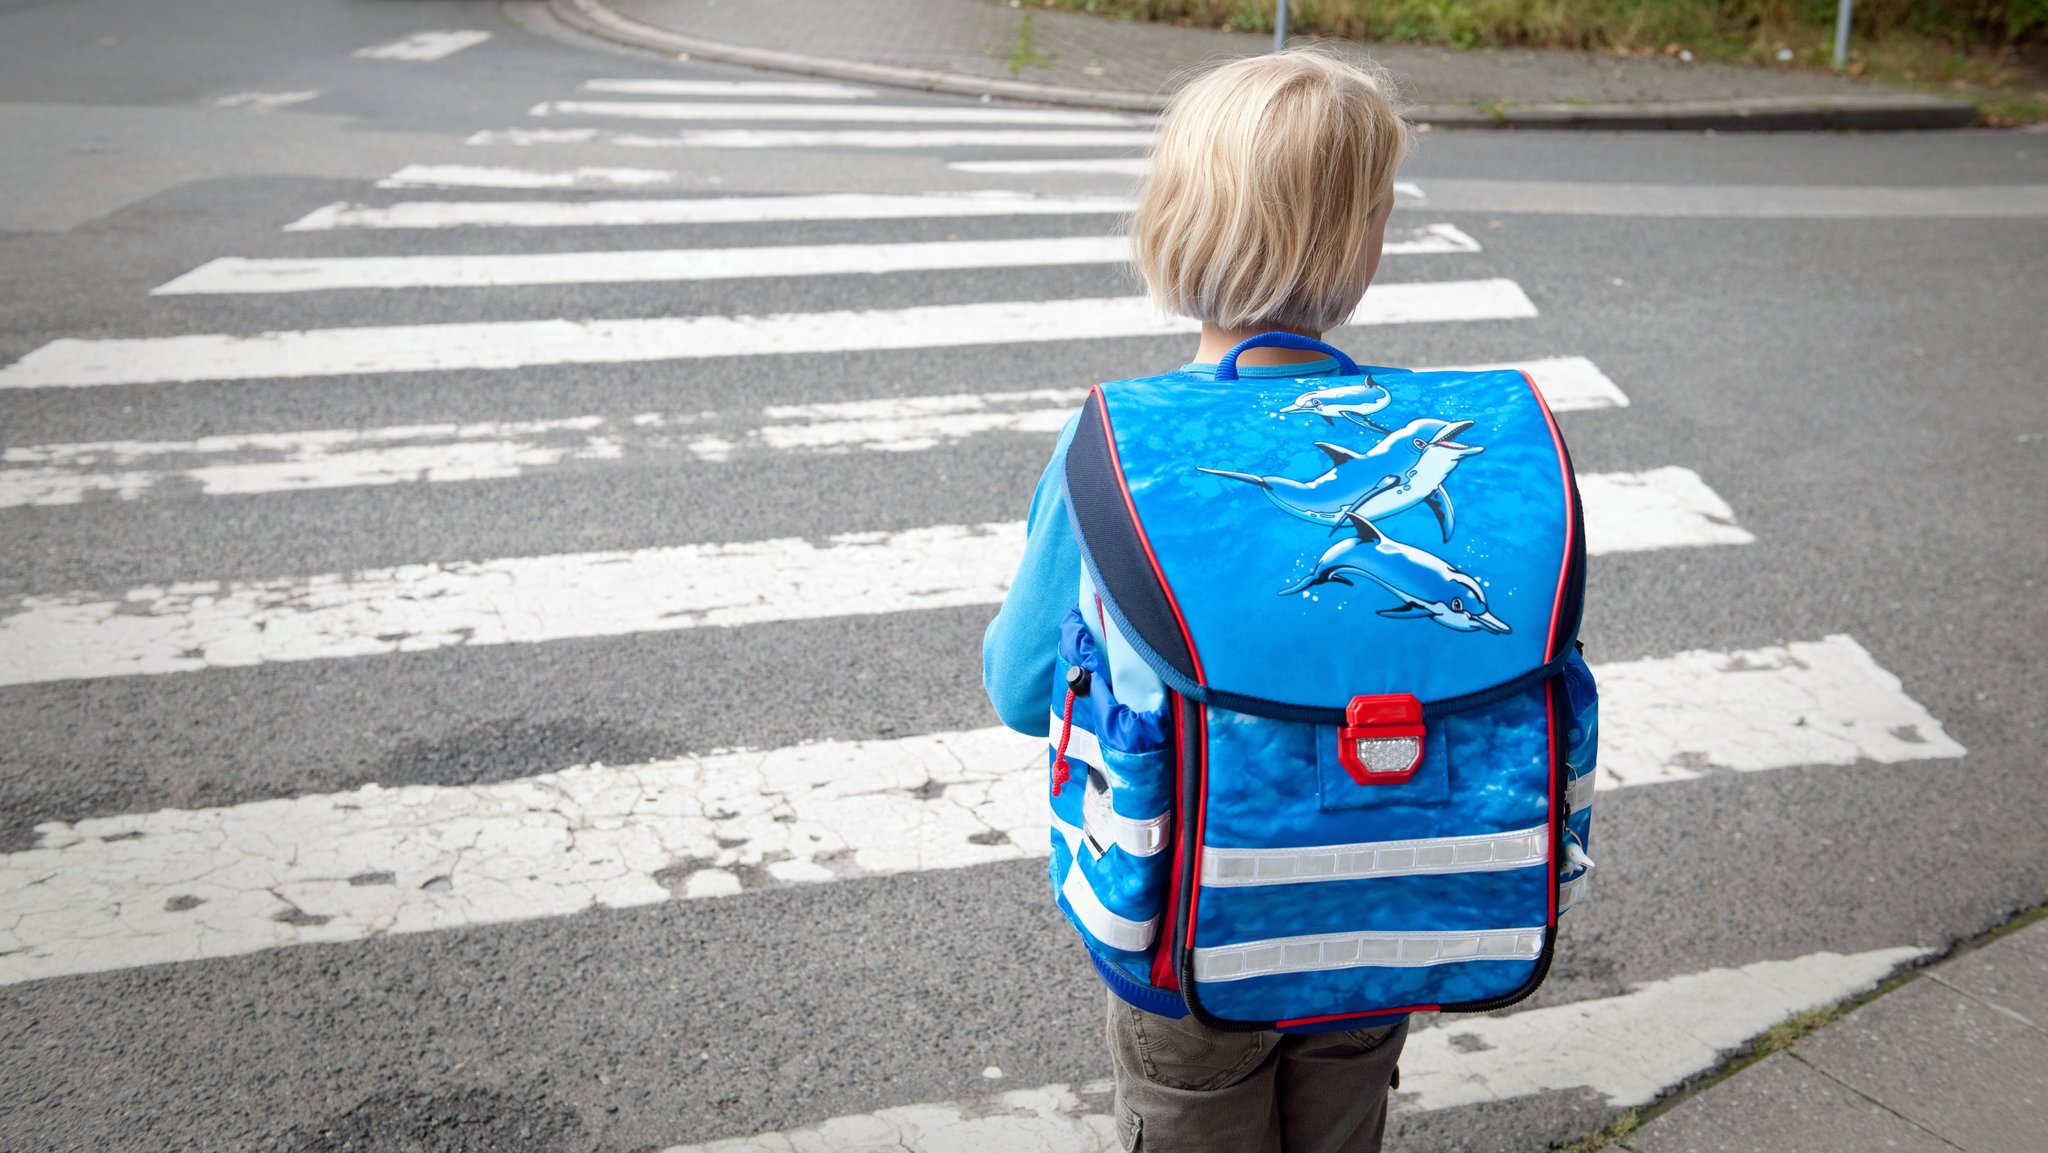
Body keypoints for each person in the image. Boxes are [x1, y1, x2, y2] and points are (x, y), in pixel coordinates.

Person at [982, 48, 1417, 1153]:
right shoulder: (1421, 450)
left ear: (1171, 218)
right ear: (1364, 243)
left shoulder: (1118, 447)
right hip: (1376, 899)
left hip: (1192, 914)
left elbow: (1022, 684)